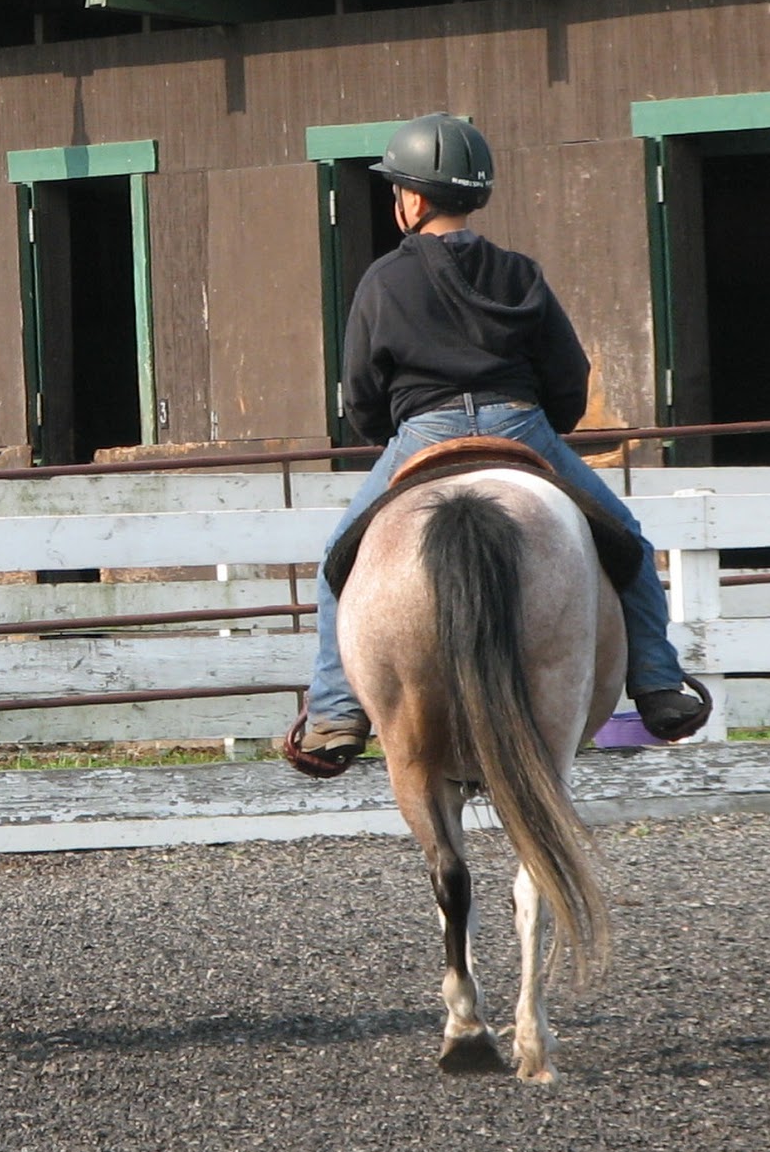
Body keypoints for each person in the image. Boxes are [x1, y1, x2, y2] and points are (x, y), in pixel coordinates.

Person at [286, 112, 709, 775]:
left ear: (413, 199)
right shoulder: (519, 273)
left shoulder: (383, 280)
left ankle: (336, 713)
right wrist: (548, 423)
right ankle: (657, 683)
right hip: (519, 425)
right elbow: (567, 374)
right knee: (626, 541)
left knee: (339, 560)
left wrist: (386, 433)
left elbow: (362, 389)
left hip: (424, 431)